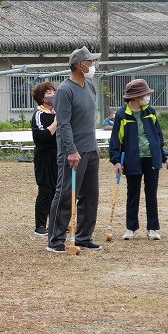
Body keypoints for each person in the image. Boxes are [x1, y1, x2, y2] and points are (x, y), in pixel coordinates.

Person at [47, 46, 102, 253]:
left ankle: (84, 236)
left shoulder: (90, 86)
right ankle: (56, 239)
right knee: (65, 194)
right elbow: (63, 124)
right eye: (91, 62)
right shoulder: (64, 90)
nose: (93, 66)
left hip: (90, 149)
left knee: (90, 195)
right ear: (80, 65)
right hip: (72, 151)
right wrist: (71, 150)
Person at [109, 79, 168, 240]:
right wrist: (116, 160)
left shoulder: (150, 111)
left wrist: (164, 157)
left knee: (151, 194)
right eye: (145, 94)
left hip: (152, 158)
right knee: (133, 194)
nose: (147, 97)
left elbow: (158, 136)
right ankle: (131, 228)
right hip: (131, 159)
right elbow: (116, 139)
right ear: (136, 97)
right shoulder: (122, 114)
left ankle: (153, 228)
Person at [30, 81, 57, 237]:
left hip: (58, 155)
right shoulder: (39, 114)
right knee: (45, 190)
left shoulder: (57, 111)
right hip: (44, 156)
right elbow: (40, 137)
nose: (52, 95)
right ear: (41, 97)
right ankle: (40, 225)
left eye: (53, 92)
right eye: (48, 93)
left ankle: (56, 222)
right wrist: (56, 123)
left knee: (57, 190)